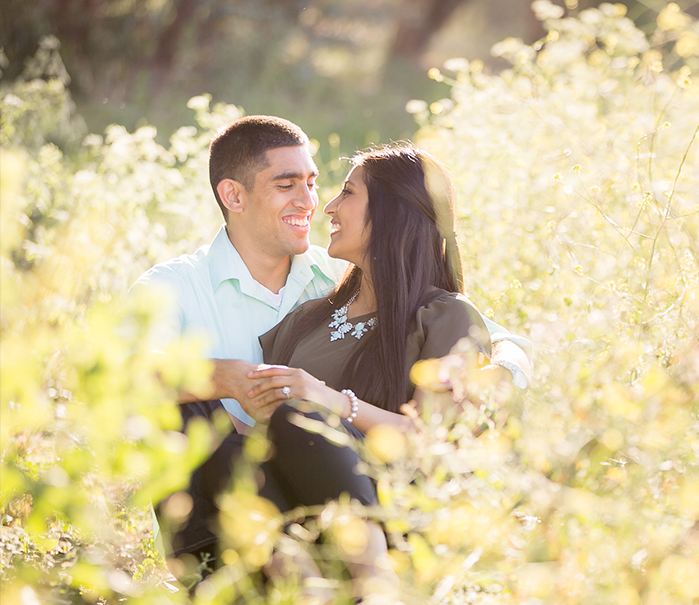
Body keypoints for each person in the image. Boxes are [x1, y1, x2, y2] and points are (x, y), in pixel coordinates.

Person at [126, 115, 530, 564]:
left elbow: (493, 336)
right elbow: (130, 377)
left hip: (374, 491)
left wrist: (497, 377)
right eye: (287, 185)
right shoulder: (178, 286)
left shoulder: (343, 276)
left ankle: (356, 574)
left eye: (315, 183)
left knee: (300, 416)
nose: (315, 203)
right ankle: (211, 574)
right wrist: (229, 380)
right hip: (261, 487)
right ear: (233, 195)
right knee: (186, 406)